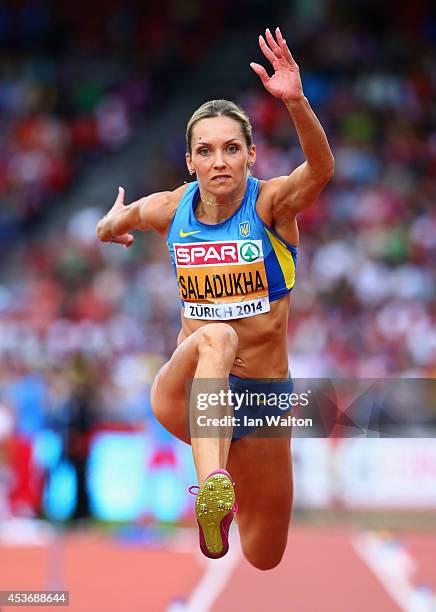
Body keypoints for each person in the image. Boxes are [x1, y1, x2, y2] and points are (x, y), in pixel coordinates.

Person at [96, 27, 334, 570]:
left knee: (265, 555)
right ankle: (212, 494)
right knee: (217, 336)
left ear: (251, 155)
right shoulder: (171, 209)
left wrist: (295, 102)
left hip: (263, 403)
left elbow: (320, 170)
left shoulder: (272, 203)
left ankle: (227, 500)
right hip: (185, 392)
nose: (219, 160)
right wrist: (109, 226)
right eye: (206, 150)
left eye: (231, 148)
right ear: (190, 162)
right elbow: (120, 218)